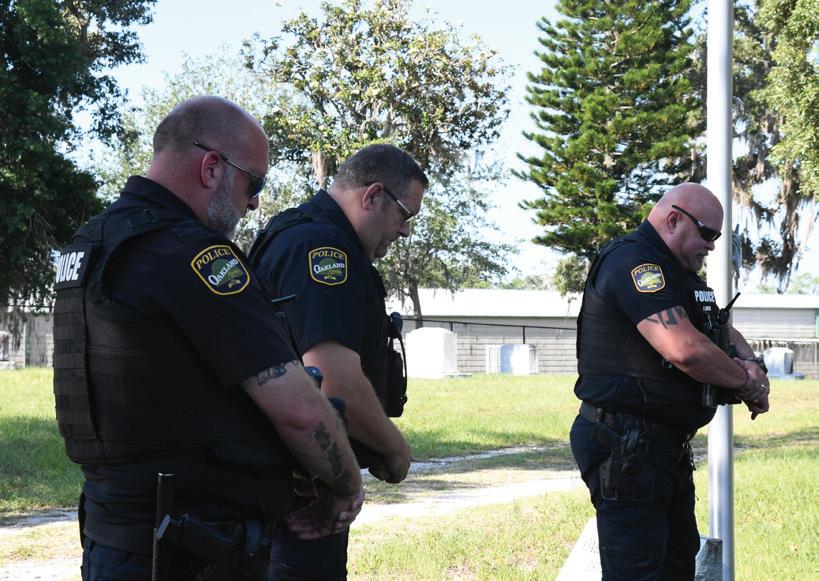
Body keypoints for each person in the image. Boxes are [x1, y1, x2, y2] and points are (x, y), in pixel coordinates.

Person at [52, 96, 363, 581]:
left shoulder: (91, 243)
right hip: (194, 550)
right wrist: (345, 483)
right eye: (254, 182)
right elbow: (300, 412)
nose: (254, 201)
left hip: (112, 538)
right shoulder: (192, 254)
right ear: (212, 167)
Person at [570, 182, 770, 580]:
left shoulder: (679, 273)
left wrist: (751, 364)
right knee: (638, 572)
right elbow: (686, 349)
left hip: (661, 449)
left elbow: (717, 326)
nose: (711, 245)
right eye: (707, 233)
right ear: (674, 219)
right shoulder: (634, 263)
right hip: (627, 448)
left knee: (675, 566)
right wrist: (745, 382)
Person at [249, 144, 428, 579]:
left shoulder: (301, 233)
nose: (405, 231)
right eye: (405, 214)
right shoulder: (323, 248)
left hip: (293, 486)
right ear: (373, 196)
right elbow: (333, 379)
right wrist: (394, 449)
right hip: (294, 499)